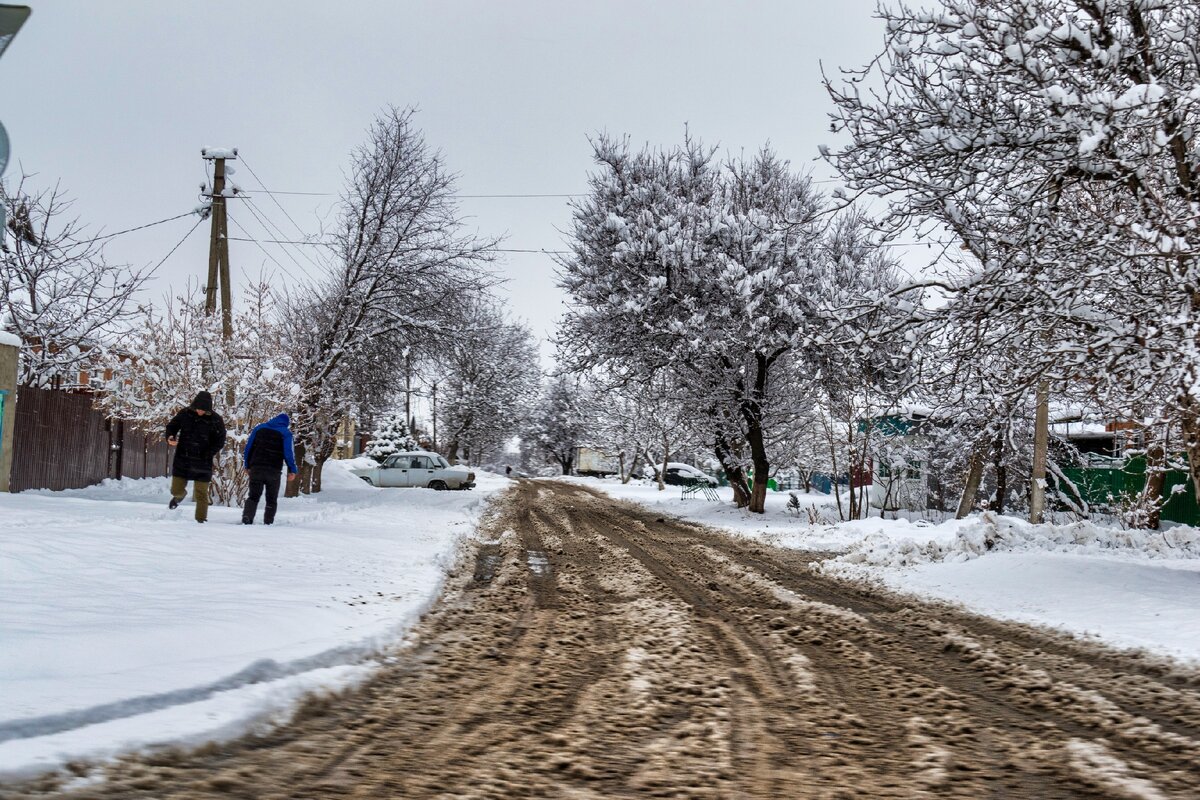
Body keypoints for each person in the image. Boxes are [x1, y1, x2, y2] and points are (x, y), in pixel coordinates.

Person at [166, 391, 227, 523]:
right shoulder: (185, 414)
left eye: (203, 410)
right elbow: (172, 426)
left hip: (203, 461)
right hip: (183, 458)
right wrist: (170, 437)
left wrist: (208, 452)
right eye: (198, 409)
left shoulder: (216, 420)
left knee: (201, 494)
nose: (200, 411)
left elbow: (220, 440)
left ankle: (200, 521)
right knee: (175, 489)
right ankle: (179, 496)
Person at [241, 413, 298, 525]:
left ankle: (247, 517)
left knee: (253, 496)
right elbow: (288, 453)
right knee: (271, 498)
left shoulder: (259, 428)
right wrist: (292, 470)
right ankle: (268, 522)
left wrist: (247, 465)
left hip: (256, 467)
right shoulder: (286, 433)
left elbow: (249, 447)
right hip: (274, 469)